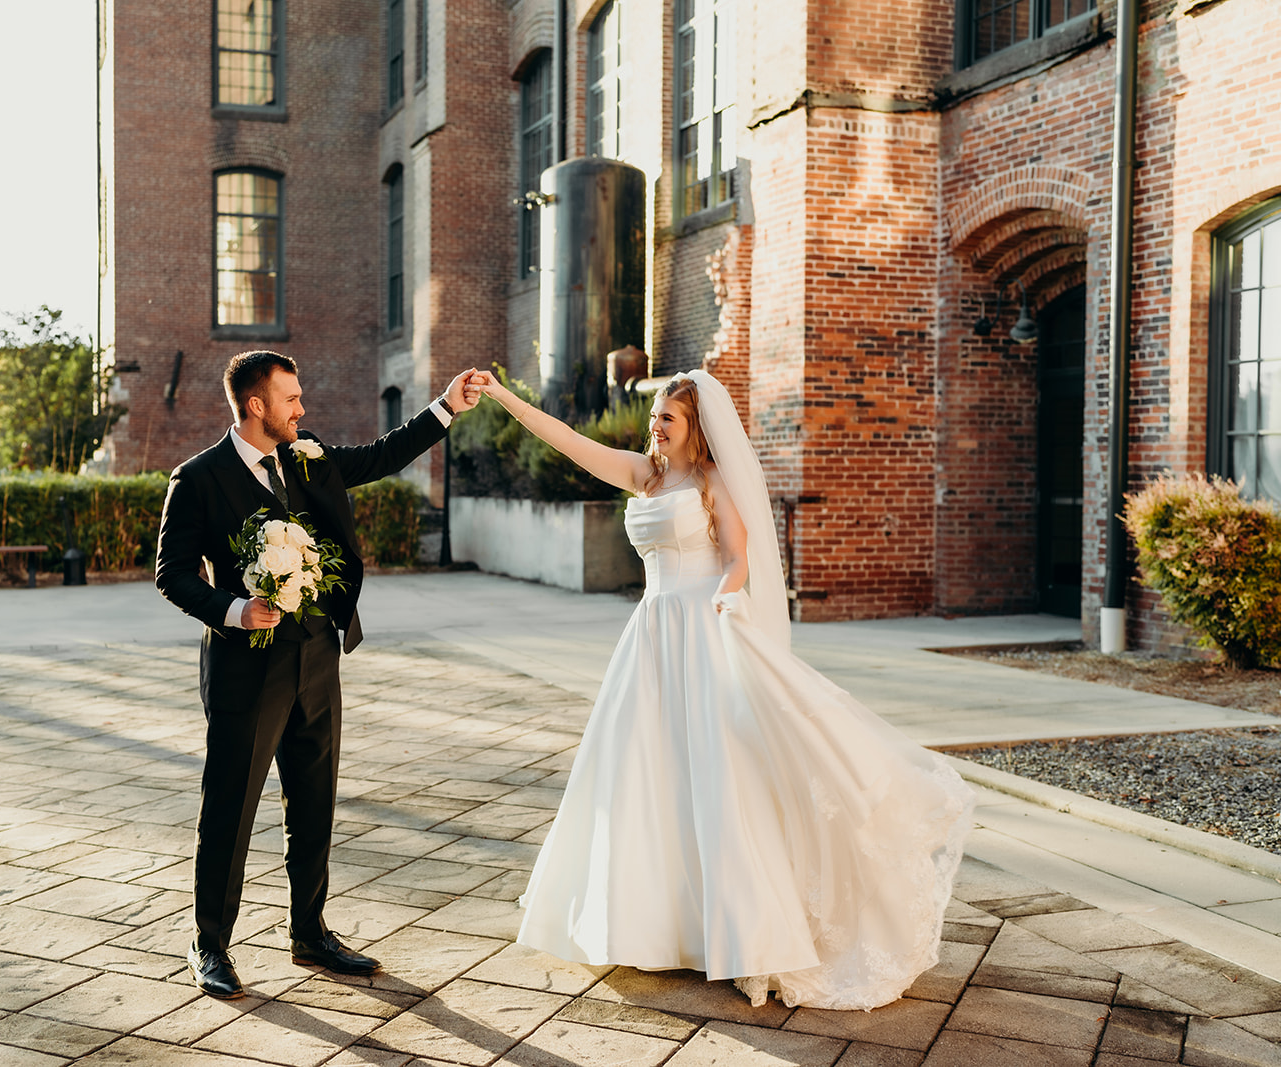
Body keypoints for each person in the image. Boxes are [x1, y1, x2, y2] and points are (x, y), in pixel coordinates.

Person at [477, 368, 975, 1011]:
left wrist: (723, 599)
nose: (655, 428)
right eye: (654, 417)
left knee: (717, 776)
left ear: (696, 429)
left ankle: (741, 933)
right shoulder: (643, 475)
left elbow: (739, 557)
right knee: (642, 773)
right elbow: (567, 440)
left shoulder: (712, 482)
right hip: (652, 634)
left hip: (703, 628)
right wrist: (501, 396)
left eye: (668, 419)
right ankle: (658, 926)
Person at [155, 350, 484, 999]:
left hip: (316, 656)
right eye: (291, 399)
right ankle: (209, 942)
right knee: (231, 804)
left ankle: (310, 929)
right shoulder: (197, 478)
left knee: (314, 798)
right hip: (245, 667)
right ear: (255, 404)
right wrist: (234, 608)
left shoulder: (304, 457)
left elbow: (384, 453)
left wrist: (447, 406)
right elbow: (170, 573)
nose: (301, 409)